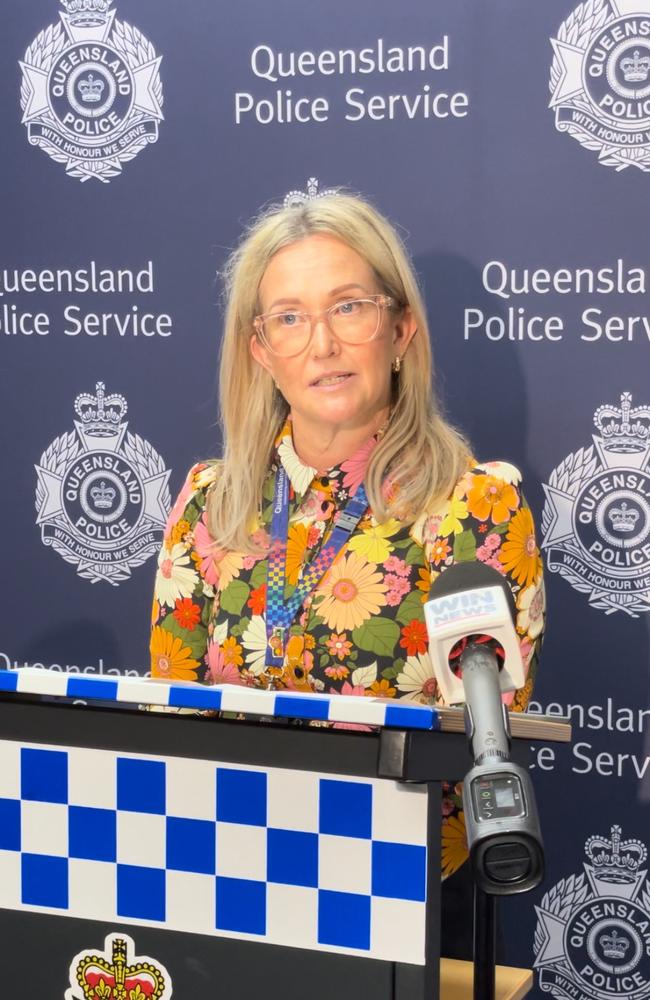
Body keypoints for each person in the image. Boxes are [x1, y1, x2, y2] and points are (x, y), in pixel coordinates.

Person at [150, 192, 545, 940]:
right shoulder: (209, 503)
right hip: (208, 888)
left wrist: (334, 880)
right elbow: (172, 725)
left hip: (379, 906)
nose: (322, 345)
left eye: (349, 308)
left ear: (400, 330)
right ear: (260, 350)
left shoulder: (475, 509)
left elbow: (482, 756)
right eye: (290, 318)